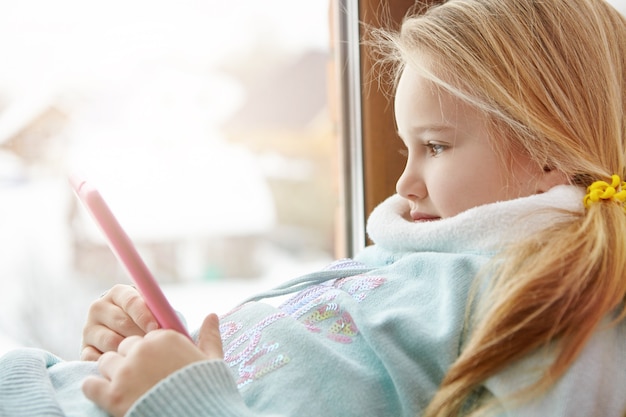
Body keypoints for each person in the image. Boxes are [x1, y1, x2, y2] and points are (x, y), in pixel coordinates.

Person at [1, 0, 626, 415]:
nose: (404, 183)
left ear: (548, 149)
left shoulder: (556, 299)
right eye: (408, 148)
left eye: (435, 146)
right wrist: (148, 355)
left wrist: (179, 397)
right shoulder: (408, 269)